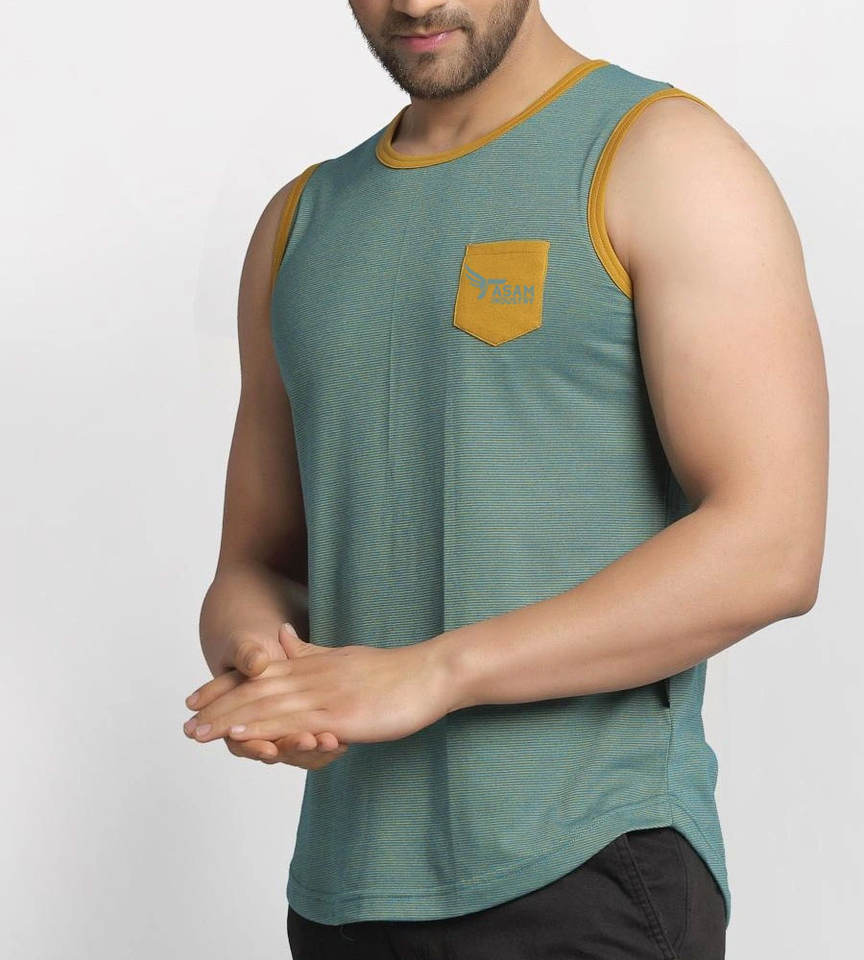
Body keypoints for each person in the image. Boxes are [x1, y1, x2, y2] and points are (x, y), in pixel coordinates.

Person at [183, 1, 828, 957]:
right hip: (343, 894)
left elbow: (772, 546)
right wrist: (258, 657)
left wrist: (436, 673)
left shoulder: (663, 158)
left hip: (584, 863)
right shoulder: (299, 221)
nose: (416, 2)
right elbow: (257, 562)